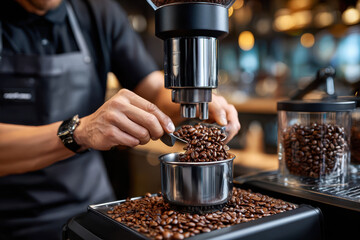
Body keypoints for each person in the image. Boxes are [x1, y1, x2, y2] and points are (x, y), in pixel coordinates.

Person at [0, 0, 241, 239]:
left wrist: (192, 95)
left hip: (91, 209)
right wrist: (79, 132)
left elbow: (153, 89)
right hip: (13, 218)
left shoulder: (97, 12)